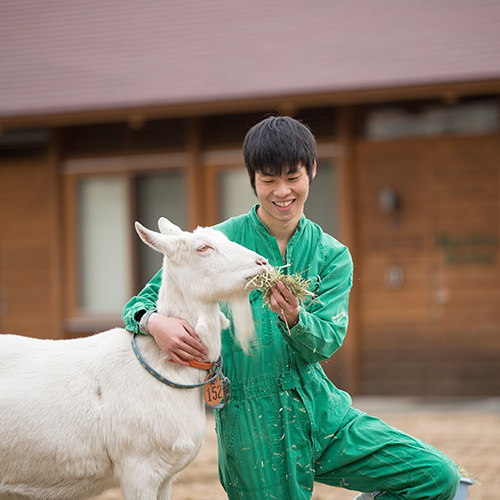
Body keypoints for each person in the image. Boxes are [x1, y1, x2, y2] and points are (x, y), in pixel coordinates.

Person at [122, 116, 461, 499]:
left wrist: (296, 318)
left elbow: (327, 341)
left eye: (292, 177)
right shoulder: (216, 243)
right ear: (252, 179)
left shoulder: (332, 256)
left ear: (312, 171)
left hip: (323, 411)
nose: (282, 191)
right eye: (268, 180)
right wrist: (153, 323)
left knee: (437, 476)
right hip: (251, 422)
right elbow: (141, 303)